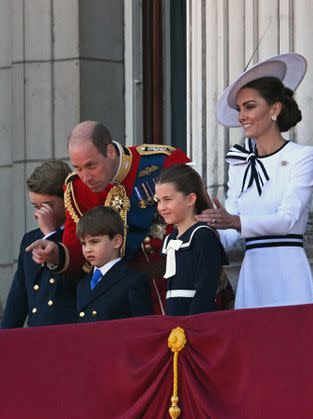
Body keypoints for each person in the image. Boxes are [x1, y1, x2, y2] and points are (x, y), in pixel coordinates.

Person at [26, 121, 189, 314]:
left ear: (110, 151)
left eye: (91, 165)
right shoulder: (76, 189)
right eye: (77, 168)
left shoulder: (163, 162)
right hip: (120, 303)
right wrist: (57, 254)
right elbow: (77, 247)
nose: (85, 177)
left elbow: (195, 225)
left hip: (177, 287)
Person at [196, 53, 313, 309]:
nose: (242, 115)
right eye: (239, 108)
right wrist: (201, 222)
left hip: (288, 272)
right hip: (252, 273)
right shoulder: (239, 162)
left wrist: (235, 221)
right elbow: (230, 236)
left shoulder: (303, 156)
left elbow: (289, 219)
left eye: (249, 106)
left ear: (274, 109)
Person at [2, 160, 77, 328]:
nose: (40, 213)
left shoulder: (82, 235)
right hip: (37, 335)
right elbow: (18, 298)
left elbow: (69, 279)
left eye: (47, 206)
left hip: (68, 334)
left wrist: (50, 234)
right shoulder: (29, 240)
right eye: (36, 206)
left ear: (66, 199)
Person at [155, 164, 228, 316]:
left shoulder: (203, 237)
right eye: (158, 201)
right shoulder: (170, 239)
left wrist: (192, 326)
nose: (161, 207)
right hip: (174, 321)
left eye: (167, 199)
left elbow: (205, 290)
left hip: (195, 322)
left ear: (190, 199)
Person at [76, 206, 153, 321]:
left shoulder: (133, 280)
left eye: (94, 241)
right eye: (83, 243)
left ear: (116, 241)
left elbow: (143, 328)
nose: (87, 249)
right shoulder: (83, 284)